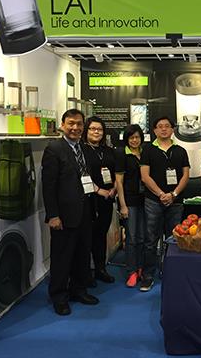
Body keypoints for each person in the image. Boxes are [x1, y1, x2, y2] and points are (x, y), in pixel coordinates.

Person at [41, 109, 99, 316]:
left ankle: (78, 290)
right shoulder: (54, 149)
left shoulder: (83, 148)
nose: (75, 128)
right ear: (62, 125)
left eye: (79, 124)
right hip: (63, 216)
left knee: (82, 255)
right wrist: (53, 215)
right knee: (62, 258)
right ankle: (59, 296)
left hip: (84, 211)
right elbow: (48, 186)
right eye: (71, 123)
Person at [139, 117, 190, 292]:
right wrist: (161, 194)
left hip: (175, 202)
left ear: (172, 129)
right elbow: (145, 176)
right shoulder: (148, 150)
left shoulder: (180, 151)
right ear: (154, 130)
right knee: (150, 240)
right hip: (153, 201)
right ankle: (148, 276)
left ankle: (172, 272)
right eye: (160, 126)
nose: (163, 129)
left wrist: (173, 194)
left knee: (174, 239)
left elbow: (185, 175)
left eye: (167, 126)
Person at [82, 116, 116, 286]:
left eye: (100, 129)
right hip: (89, 199)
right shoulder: (81, 150)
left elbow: (116, 172)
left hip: (107, 199)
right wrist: (98, 190)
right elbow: (82, 174)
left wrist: (114, 188)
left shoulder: (108, 150)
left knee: (101, 235)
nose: (96, 132)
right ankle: (85, 272)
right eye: (92, 129)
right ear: (86, 130)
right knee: (87, 237)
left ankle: (100, 269)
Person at [115, 124, 146, 288]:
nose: (134, 140)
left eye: (137, 137)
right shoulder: (122, 155)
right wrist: (123, 205)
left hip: (146, 201)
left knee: (142, 237)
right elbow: (119, 182)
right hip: (130, 202)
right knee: (132, 238)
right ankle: (132, 271)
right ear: (127, 139)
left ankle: (141, 268)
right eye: (131, 137)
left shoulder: (145, 153)